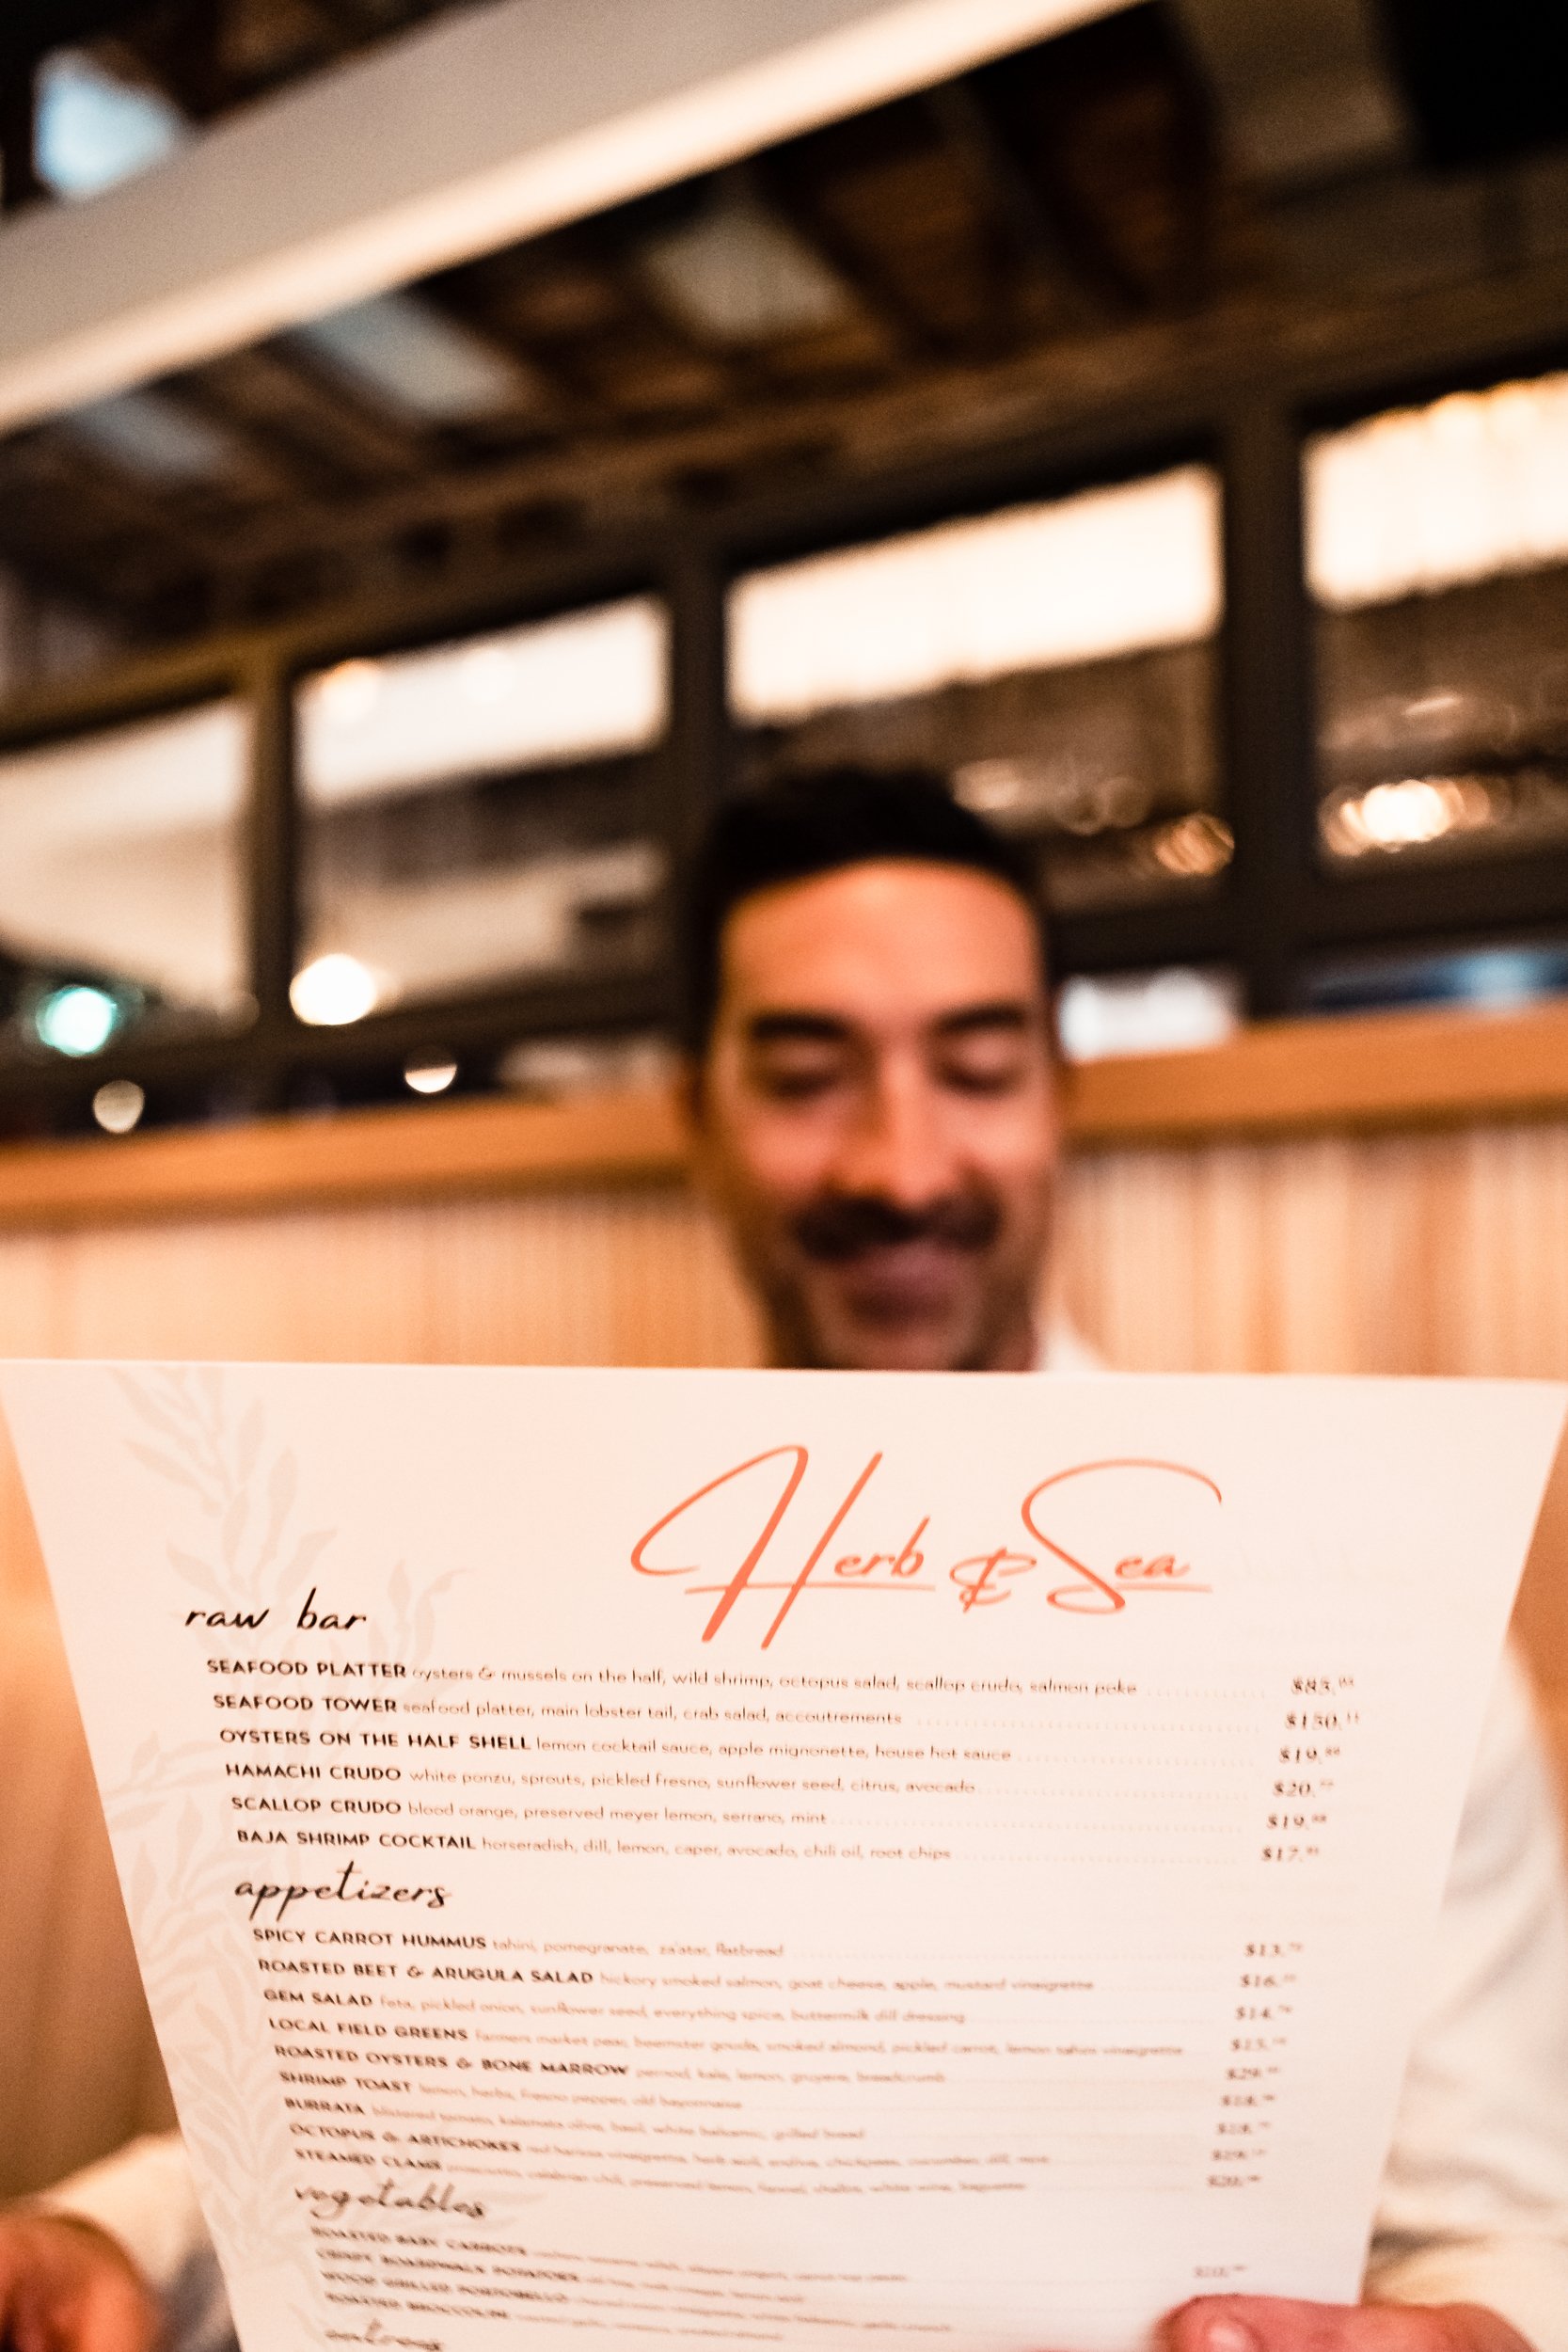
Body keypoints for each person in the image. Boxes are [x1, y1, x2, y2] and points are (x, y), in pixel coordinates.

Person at [3, 769, 1565, 2352]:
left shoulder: (1375, 1633)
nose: (901, 1165)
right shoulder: (517, 1596)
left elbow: (1507, 2229)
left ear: (1058, 1103)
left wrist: (1473, 2337)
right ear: (697, 1117)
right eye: (810, 1074)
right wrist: (110, 2242)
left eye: (975, 1068)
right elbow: (394, 2137)